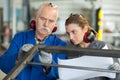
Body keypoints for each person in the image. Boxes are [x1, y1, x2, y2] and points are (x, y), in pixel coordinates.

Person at [0, 3, 67, 80]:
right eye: (42, 19)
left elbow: (62, 74)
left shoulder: (61, 45)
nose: (46, 24)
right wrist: (17, 58)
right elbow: (2, 64)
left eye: (51, 21)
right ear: (35, 17)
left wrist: (49, 66)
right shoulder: (20, 37)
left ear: (55, 24)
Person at [64, 13, 120, 80]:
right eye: (68, 33)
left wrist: (117, 73)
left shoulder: (102, 47)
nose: (71, 37)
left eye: (74, 32)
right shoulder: (71, 51)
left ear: (85, 28)